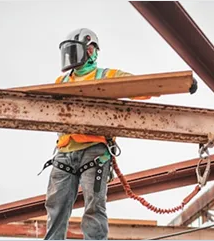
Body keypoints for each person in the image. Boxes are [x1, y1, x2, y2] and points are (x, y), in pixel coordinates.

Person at [42, 28, 150, 240]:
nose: (70, 57)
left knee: (94, 208)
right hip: (64, 152)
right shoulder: (61, 82)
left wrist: (181, 84)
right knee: (56, 208)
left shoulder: (107, 77)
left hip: (94, 153)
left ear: (90, 50)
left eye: (75, 51)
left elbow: (143, 88)